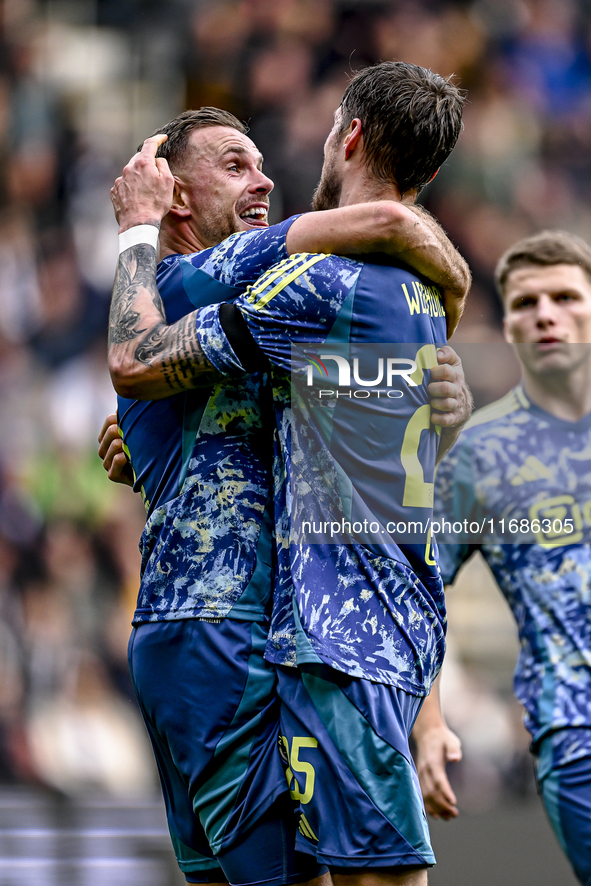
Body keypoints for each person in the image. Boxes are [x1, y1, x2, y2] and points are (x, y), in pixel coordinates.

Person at [107, 61, 470, 886]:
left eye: (260, 159)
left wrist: (429, 385)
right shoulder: (199, 278)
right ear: (175, 199)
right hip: (221, 630)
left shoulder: (269, 315)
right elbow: (379, 221)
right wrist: (452, 279)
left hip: (217, 631)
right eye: (234, 164)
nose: (265, 176)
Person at [412, 229, 591, 886]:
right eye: (525, 302)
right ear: (508, 325)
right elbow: (416, 592)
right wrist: (428, 724)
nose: (545, 314)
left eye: (566, 297)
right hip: (574, 733)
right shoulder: (480, 459)